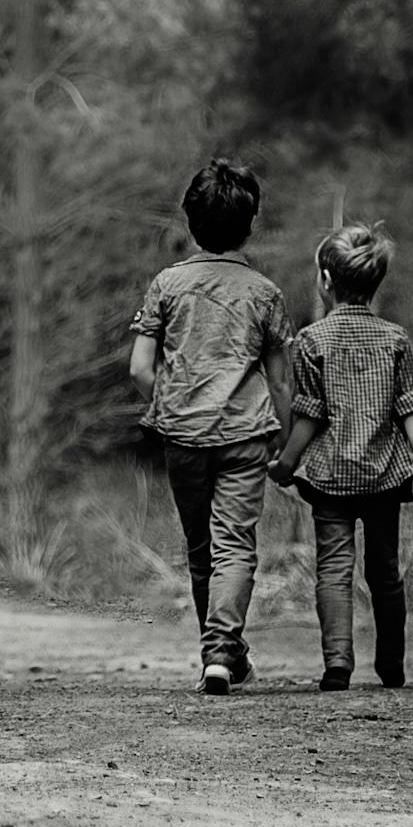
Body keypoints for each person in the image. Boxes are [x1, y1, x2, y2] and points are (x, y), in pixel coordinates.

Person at [128, 156, 289, 695]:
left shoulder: (166, 285)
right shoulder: (265, 294)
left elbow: (139, 369)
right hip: (246, 436)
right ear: (250, 224)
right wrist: (284, 441)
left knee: (202, 551)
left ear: (190, 222)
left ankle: (218, 656)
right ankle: (223, 653)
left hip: (184, 438)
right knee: (235, 547)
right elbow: (280, 381)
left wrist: (170, 406)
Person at [264, 222, 413, 691]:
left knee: (333, 571)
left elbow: (309, 415)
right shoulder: (396, 339)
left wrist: (285, 463)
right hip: (385, 475)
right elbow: (409, 408)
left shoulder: (313, 340)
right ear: (375, 281)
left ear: (325, 279)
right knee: (385, 573)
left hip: (330, 477)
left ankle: (337, 664)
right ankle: (391, 664)